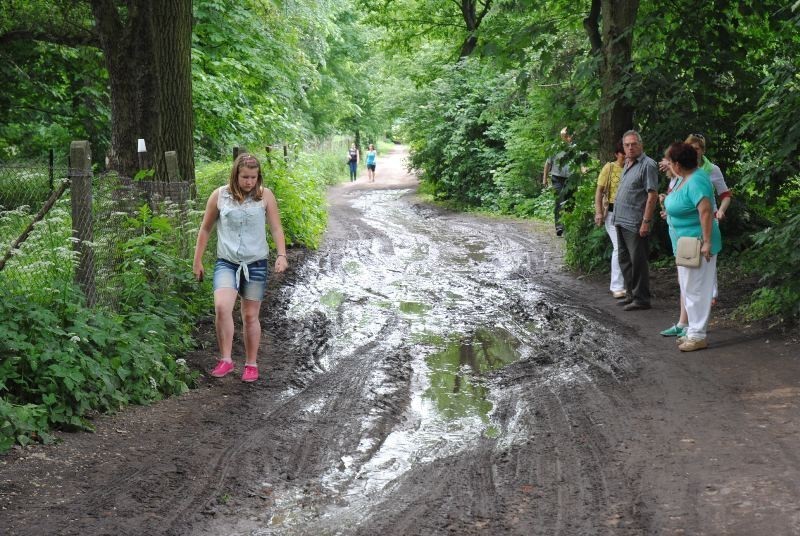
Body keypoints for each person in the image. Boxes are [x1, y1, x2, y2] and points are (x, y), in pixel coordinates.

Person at [193, 153, 288, 382]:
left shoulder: (265, 196)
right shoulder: (220, 196)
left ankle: (251, 364)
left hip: (256, 263)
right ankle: (225, 360)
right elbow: (205, 229)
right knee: (222, 307)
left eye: (254, 177)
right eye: (245, 177)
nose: (249, 182)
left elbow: (276, 228)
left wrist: (282, 254)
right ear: (235, 175)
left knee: (249, 315)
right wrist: (197, 260)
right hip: (227, 262)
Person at [659, 133, 732, 337]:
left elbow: (706, 211)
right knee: (688, 287)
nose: (668, 165)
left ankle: (697, 334)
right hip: (685, 242)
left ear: (678, 164)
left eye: (670, 162)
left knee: (697, 289)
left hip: (698, 242)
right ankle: (691, 329)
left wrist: (707, 242)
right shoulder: (685, 178)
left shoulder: (697, 180)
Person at [613, 130, 659, 311]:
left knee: (638, 260)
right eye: (627, 145)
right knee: (625, 260)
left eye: (634, 144)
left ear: (641, 144)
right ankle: (631, 294)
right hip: (621, 220)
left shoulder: (648, 165)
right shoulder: (627, 163)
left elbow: (652, 194)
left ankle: (642, 298)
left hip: (635, 222)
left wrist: (646, 221)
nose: (630, 147)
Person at [594, 141, 627, 299]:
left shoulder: (632, 168)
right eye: (622, 153)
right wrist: (599, 212)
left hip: (628, 213)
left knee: (626, 249)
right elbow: (599, 191)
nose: (626, 156)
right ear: (617, 154)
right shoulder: (610, 167)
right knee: (619, 247)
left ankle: (627, 284)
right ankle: (616, 286)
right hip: (612, 213)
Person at [542, 127, 574, 236]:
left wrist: (584, 170)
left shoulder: (575, 148)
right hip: (557, 178)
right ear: (562, 137)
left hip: (571, 179)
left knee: (570, 202)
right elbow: (548, 164)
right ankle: (559, 227)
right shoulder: (555, 148)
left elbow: (581, 163)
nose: (569, 138)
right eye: (566, 136)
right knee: (559, 201)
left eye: (570, 136)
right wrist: (544, 179)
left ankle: (569, 227)